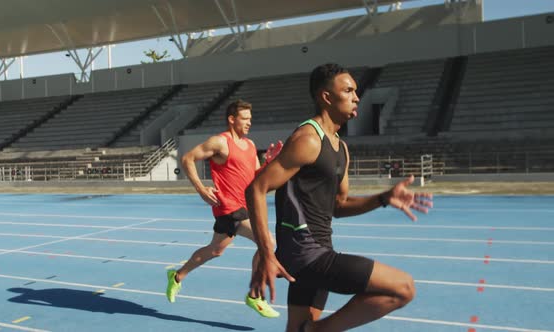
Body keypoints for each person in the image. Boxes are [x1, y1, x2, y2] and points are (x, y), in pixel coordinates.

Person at [245, 64, 434, 331]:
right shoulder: (308, 140)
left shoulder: (341, 148)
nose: (356, 97)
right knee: (403, 288)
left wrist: (383, 198)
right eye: (348, 90)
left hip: (320, 250)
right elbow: (256, 188)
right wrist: (266, 253)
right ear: (326, 97)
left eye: (356, 91)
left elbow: (339, 206)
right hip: (306, 255)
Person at [166, 99, 283, 318]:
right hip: (229, 207)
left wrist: (268, 162)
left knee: (215, 250)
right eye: (245, 118)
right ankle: (255, 295)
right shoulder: (220, 142)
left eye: (250, 118)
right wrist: (201, 189)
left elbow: (256, 178)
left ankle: (176, 276)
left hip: (245, 206)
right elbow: (187, 158)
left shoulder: (249, 145)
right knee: (267, 241)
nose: (249, 122)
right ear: (232, 119)